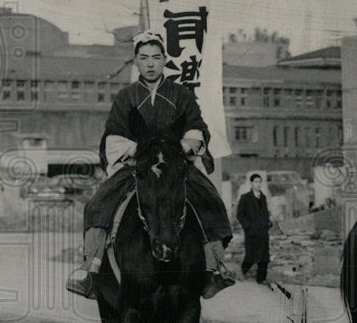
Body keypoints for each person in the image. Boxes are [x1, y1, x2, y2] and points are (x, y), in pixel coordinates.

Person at [65, 31, 236, 300]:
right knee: (98, 204)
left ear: (165, 60)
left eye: (156, 57)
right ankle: (92, 268)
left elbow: (196, 127)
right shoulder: (126, 96)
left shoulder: (181, 94)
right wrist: (134, 150)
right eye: (144, 58)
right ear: (136, 62)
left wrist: (182, 147)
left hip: (175, 164)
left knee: (210, 199)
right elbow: (114, 133)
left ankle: (213, 268)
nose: (151, 63)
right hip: (137, 166)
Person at [237, 173, 272, 284]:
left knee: (264, 257)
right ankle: (242, 271)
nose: (258, 184)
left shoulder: (263, 197)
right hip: (251, 232)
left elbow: (264, 212)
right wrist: (248, 226)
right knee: (250, 255)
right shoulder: (245, 197)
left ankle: (261, 278)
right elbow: (240, 214)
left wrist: (268, 222)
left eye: (260, 182)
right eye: (256, 182)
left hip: (263, 231)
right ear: (251, 183)